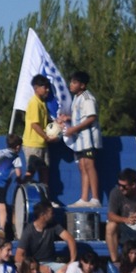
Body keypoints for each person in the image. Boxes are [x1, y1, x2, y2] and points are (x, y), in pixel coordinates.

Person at [57, 68, 102, 205]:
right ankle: (84, 198)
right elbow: (79, 116)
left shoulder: (88, 98)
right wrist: (67, 118)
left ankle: (95, 198)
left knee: (89, 165)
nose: (71, 85)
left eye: (74, 82)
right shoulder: (76, 98)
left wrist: (73, 129)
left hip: (88, 139)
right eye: (71, 82)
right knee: (82, 166)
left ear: (82, 85)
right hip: (79, 141)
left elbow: (91, 117)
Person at [23, 73, 60, 201]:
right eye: (45, 87)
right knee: (31, 172)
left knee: (44, 171)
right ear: (36, 88)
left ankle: (45, 199)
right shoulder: (34, 103)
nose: (47, 90)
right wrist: (47, 137)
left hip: (42, 144)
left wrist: (58, 123)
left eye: (48, 87)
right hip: (33, 144)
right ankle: (24, 196)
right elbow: (34, 124)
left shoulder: (42, 103)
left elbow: (46, 121)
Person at [104, 168, 136, 262]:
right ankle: (115, 261)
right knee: (110, 226)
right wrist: (126, 220)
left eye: (124, 186)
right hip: (123, 227)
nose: (120, 188)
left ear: (133, 185)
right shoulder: (115, 192)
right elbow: (110, 215)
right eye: (119, 185)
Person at [17, 200, 77, 268]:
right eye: (51, 213)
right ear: (43, 215)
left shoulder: (53, 225)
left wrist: (72, 261)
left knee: (72, 268)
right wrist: (39, 267)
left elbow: (70, 239)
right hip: (34, 265)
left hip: (51, 263)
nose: (53, 215)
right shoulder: (29, 230)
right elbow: (18, 256)